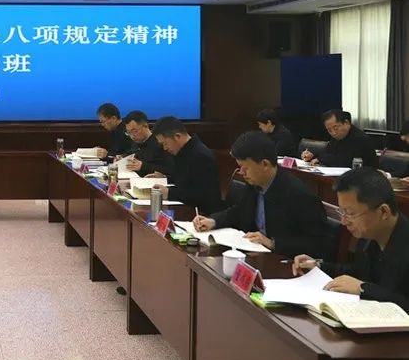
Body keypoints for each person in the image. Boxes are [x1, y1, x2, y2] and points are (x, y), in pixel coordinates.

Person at [193, 132, 333, 259]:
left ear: (265, 164)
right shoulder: (255, 183)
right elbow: (240, 210)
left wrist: (273, 243)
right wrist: (214, 221)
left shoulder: (299, 195)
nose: (241, 172)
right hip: (256, 254)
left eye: (245, 167)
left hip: (284, 262)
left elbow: (319, 244)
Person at [292, 168, 409, 312]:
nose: (344, 221)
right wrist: (318, 266)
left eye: (351, 213)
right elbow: (357, 272)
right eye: (342, 212)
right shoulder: (368, 235)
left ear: (383, 211)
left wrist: (363, 288)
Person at [150, 116, 224, 215]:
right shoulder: (183, 152)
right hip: (187, 209)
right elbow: (183, 181)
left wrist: (169, 193)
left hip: (202, 214)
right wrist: (164, 178)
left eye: (165, 143)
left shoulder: (200, 156)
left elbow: (201, 195)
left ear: (177, 136)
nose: (165, 148)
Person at [302, 109, 378, 168]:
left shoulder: (360, 139)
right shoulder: (338, 137)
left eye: (336, 128)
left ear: (346, 123)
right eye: (329, 130)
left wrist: (319, 159)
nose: (333, 133)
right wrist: (312, 156)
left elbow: (344, 162)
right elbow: (328, 153)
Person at [122, 110, 173, 176]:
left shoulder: (160, 142)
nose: (132, 136)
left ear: (146, 126)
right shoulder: (136, 142)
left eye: (135, 131)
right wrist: (122, 157)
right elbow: (132, 153)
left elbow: (169, 169)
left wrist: (143, 166)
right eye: (128, 132)